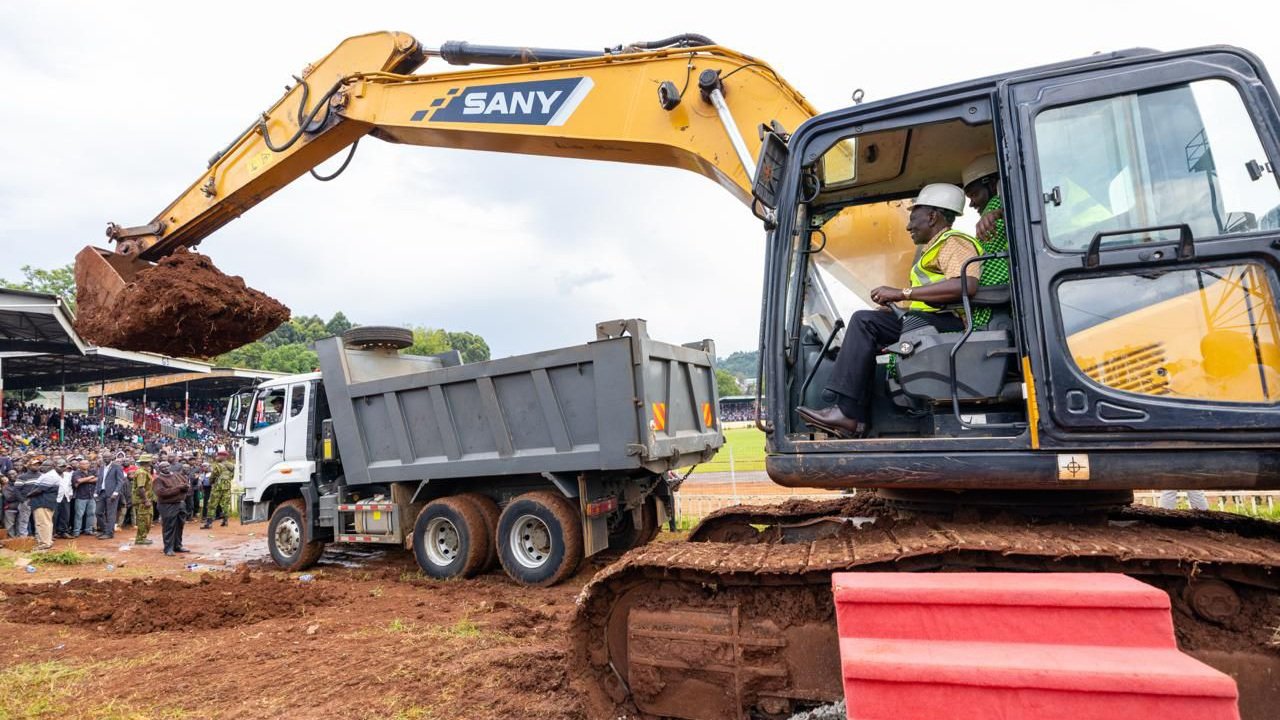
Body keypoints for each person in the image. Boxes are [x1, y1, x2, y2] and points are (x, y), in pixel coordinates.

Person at [798, 183, 983, 437]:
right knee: (866, 328)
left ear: (932, 216)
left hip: (947, 324)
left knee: (864, 323)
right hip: (929, 321)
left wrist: (901, 293)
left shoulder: (953, 243)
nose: (908, 226)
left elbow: (966, 284)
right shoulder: (934, 247)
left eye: (913, 218)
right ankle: (855, 418)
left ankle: (846, 414)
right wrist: (898, 308)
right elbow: (928, 294)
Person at [960, 154, 1012, 330]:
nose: (972, 204)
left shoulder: (997, 209)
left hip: (994, 304)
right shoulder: (995, 213)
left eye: (974, 194)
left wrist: (998, 212)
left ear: (992, 184)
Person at [153, 459, 190, 556]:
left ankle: (178, 545)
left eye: (167, 466)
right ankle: (168, 548)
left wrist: (185, 487)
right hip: (167, 505)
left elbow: (185, 484)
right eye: (163, 467)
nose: (166, 468)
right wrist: (178, 488)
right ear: (159, 469)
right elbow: (161, 493)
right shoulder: (158, 479)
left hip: (180, 504)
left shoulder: (176, 475)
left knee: (179, 525)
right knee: (169, 527)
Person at [26, 458, 62, 551]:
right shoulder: (48, 474)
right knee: (46, 523)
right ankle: (47, 541)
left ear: (52, 467)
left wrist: (28, 495)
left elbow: (40, 490)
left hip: (43, 502)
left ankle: (45, 543)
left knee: (43, 523)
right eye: (43, 465)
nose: (43, 467)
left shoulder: (51, 475)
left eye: (46, 465)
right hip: (44, 502)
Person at [94, 453, 126, 540]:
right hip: (101, 492)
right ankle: (105, 530)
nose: (106, 458)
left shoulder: (117, 467)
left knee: (110, 514)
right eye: (104, 457)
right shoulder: (101, 467)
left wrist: (115, 493)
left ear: (111, 457)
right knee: (98, 512)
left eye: (108, 457)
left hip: (112, 494)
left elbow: (120, 481)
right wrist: (96, 492)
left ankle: (109, 533)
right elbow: (99, 480)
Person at [203, 450, 234, 528]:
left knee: (212, 504)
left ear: (223, 456)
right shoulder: (231, 465)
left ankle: (209, 523)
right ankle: (225, 521)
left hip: (217, 487)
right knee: (225, 504)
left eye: (218, 456)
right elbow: (232, 477)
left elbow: (212, 477)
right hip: (227, 487)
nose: (217, 457)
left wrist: (211, 482)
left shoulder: (217, 466)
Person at [131, 454, 155, 546]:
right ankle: (140, 538)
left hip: (145, 499)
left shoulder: (144, 471)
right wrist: (146, 500)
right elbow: (141, 488)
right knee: (144, 519)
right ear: (147, 462)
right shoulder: (142, 472)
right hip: (142, 501)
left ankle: (142, 537)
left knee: (147, 518)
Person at [71, 458, 97, 537]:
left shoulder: (92, 471)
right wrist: (90, 477)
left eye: (86, 463)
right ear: (79, 465)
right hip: (80, 496)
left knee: (91, 514)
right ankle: (76, 531)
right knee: (79, 515)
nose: (85, 465)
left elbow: (98, 479)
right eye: (82, 464)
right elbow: (78, 481)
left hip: (91, 496)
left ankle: (88, 530)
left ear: (89, 464)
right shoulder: (76, 472)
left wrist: (84, 480)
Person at [54, 457, 74, 538]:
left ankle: (63, 531)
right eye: (60, 466)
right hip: (55, 498)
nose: (62, 468)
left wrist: (70, 493)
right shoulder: (52, 475)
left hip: (66, 497)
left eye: (64, 466)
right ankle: (53, 532)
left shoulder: (68, 475)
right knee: (54, 516)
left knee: (65, 515)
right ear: (55, 466)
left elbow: (70, 485)